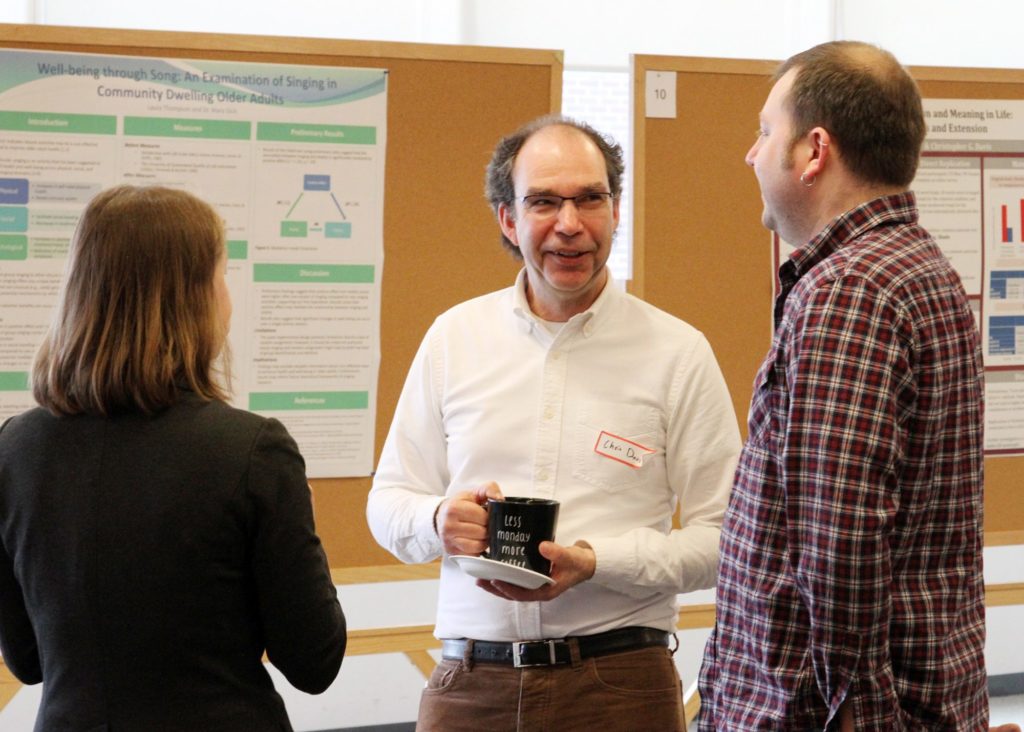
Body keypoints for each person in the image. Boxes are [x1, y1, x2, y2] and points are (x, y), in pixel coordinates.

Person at [366, 115, 741, 730]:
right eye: (543, 202)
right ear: (508, 220)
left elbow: (726, 540)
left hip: (619, 686)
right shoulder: (454, 338)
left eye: (589, 199)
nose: (569, 225)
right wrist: (439, 521)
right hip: (470, 688)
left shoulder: (678, 352)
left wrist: (596, 562)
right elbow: (387, 503)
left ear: (615, 211)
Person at [697, 41, 991, 730]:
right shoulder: (919, 269)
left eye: (766, 131)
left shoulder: (849, 291)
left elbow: (839, 554)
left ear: (813, 151)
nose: (752, 153)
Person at [0, 185, 346, 731]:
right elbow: (314, 660)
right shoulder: (252, 451)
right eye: (223, 274)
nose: (228, 297)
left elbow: (27, 659)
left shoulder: (14, 449)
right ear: (192, 297)